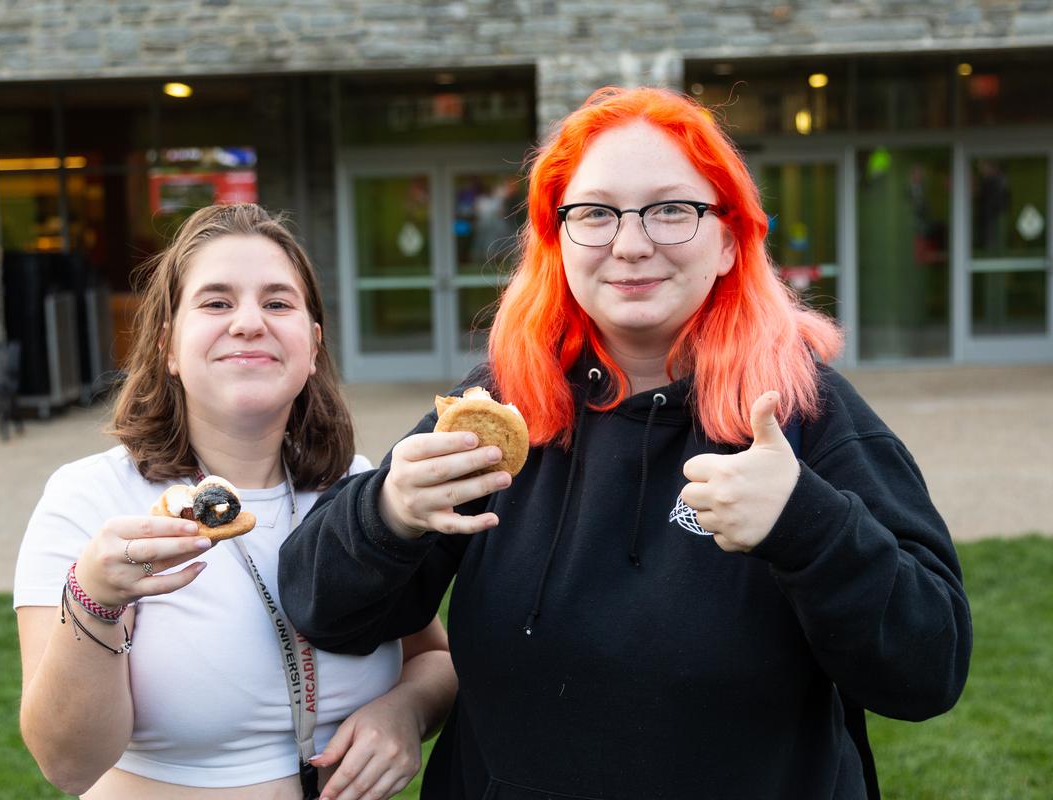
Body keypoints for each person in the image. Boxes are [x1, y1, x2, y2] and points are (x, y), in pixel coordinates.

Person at [278, 87, 972, 799]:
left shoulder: (802, 411)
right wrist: (388, 513)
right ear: (558, 241)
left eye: (672, 210)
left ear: (730, 238)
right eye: (596, 213)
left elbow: (928, 668)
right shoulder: (504, 403)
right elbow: (322, 609)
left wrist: (808, 525)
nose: (631, 243)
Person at [14, 203, 456, 800]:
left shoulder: (358, 486)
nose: (249, 323)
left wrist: (404, 711)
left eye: (277, 303)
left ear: (313, 345)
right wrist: (94, 598)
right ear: (168, 345)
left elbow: (434, 659)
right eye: (216, 302)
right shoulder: (93, 499)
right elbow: (67, 764)